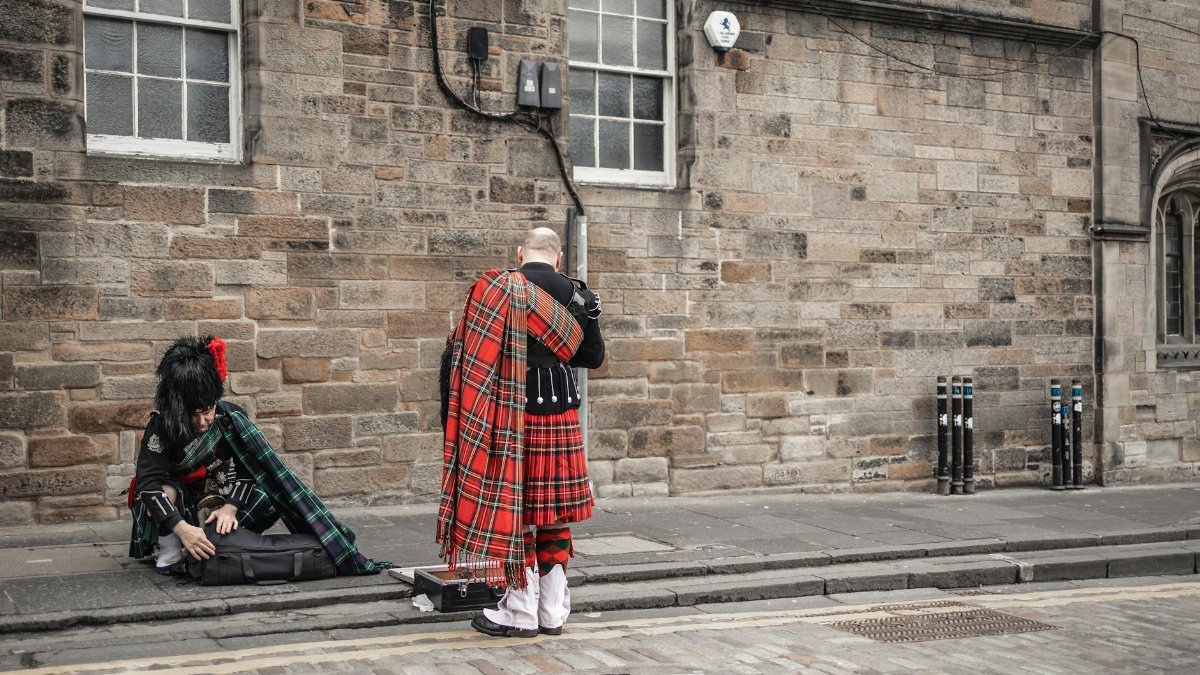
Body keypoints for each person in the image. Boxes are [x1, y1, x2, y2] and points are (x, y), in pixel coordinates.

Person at [437, 227, 605, 638]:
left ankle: (520, 608)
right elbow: (593, 357)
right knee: (553, 513)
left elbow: (466, 354)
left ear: (519, 253)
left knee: (521, 514)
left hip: (512, 413)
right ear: (559, 258)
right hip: (561, 412)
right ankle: (552, 610)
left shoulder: (496, 289)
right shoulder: (580, 296)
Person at [128, 335, 384, 577]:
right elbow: (148, 481)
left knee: (271, 492)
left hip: (218, 495)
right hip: (179, 503)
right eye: (193, 414)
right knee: (164, 490)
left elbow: (250, 467)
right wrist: (181, 528)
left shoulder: (232, 418)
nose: (203, 421)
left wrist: (230, 508)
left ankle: (220, 536)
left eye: (207, 411)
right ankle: (172, 544)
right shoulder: (162, 425)